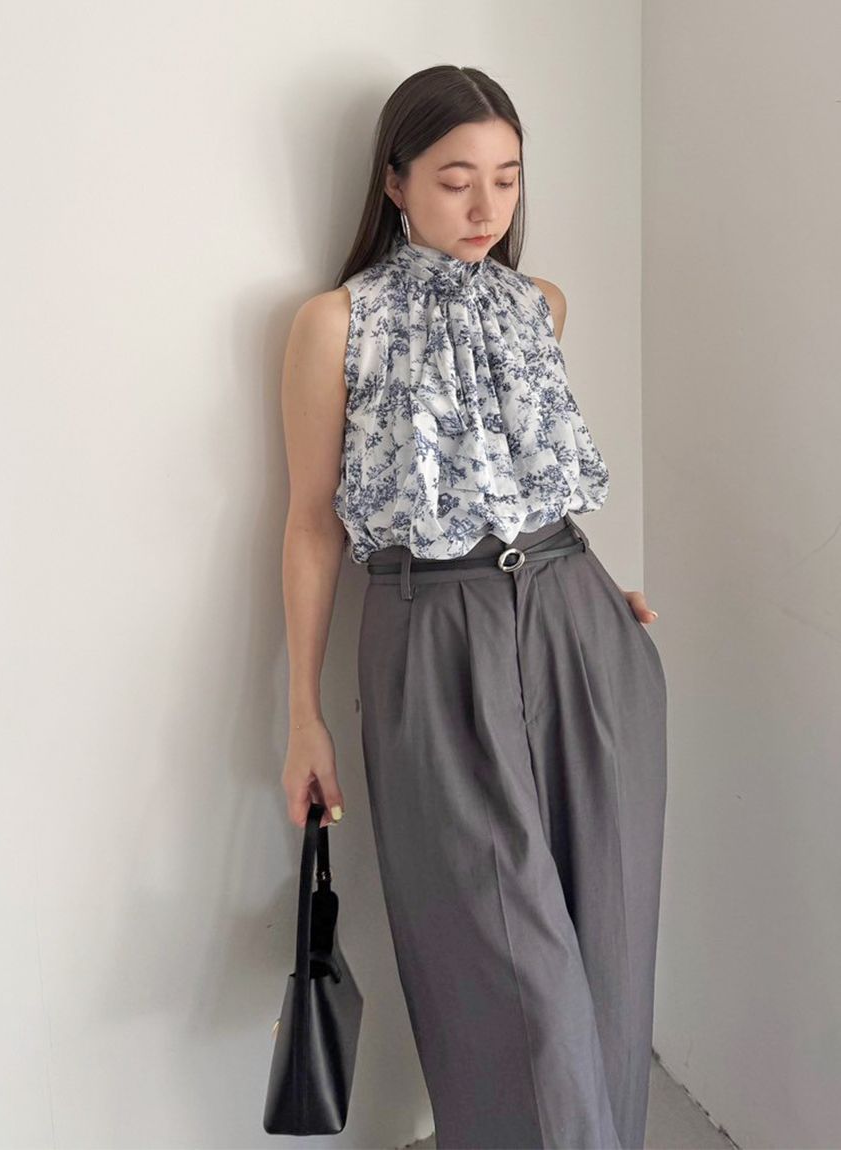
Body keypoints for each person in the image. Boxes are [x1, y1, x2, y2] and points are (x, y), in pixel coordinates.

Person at [279, 64, 667, 1150]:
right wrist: (304, 714)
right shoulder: (335, 324)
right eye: (456, 180)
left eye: (506, 176)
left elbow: (522, 478)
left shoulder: (538, 306)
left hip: (581, 622)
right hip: (431, 635)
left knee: (608, 955)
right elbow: (311, 524)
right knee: (510, 977)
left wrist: (592, 587)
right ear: (395, 181)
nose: (486, 206)